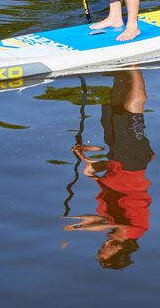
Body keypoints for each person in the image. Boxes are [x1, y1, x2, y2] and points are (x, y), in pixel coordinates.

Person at [64, 69, 153, 269]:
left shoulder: (109, 223)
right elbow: (110, 224)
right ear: (119, 251)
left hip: (117, 163)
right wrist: (81, 229)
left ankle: (121, 73)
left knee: (114, 111)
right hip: (133, 162)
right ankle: (133, 67)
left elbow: (100, 217)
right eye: (104, 251)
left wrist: (74, 222)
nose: (102, 246)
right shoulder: (135, 230)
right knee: (132, 111)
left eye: (99, 250)